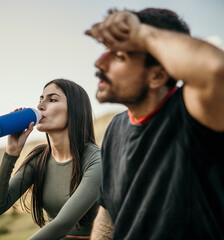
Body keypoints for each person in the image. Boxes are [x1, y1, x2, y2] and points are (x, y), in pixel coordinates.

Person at [85, 8, 224, 239]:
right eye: (106, 51)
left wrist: (142, 34)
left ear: (157, 76)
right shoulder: (115, 128)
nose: (99, 63)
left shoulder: (194, 115)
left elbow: (215, 69)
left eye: (120, 56)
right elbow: (108, 212)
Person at [0, 79, 102, 239]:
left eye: (52, 99)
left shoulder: (96, 160)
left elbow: (62, 224)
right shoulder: (39, 158)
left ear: (75, 110)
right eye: (41, 99)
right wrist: (11, 153)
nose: (40, 106)